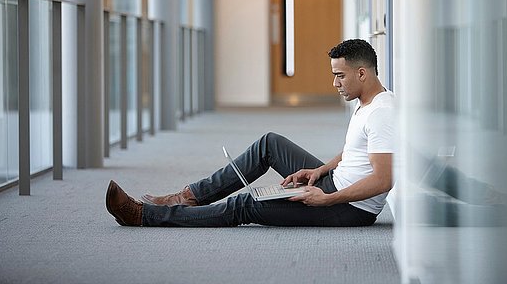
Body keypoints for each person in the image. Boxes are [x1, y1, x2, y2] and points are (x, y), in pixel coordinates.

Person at [105, 39, 396, 227]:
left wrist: (325, 198)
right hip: (334, 182)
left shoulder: (382, 112)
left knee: (248, 205)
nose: (334, 83)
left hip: (349, 207)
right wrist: (319, 170)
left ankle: (144, 215)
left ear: (362, 73)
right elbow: (355, 152)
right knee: (270, 144)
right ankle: (189, 196)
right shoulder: (366, 102)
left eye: (340, 75)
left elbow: (383, 179)